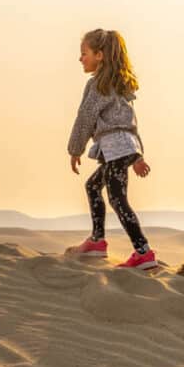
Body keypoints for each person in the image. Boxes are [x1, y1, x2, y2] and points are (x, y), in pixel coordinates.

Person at [66, 29, 157, 269]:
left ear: (100, 55)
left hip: (116, 147)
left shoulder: (98, 85)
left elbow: (85, 118)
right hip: (122, 147)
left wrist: (75, 149)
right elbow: (130, 123)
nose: (80, 58)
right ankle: (97, 241)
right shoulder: (118, 84)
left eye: (84, 53)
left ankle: (143, 251)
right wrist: (137, 155)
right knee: (93, 186)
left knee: (117, 199)